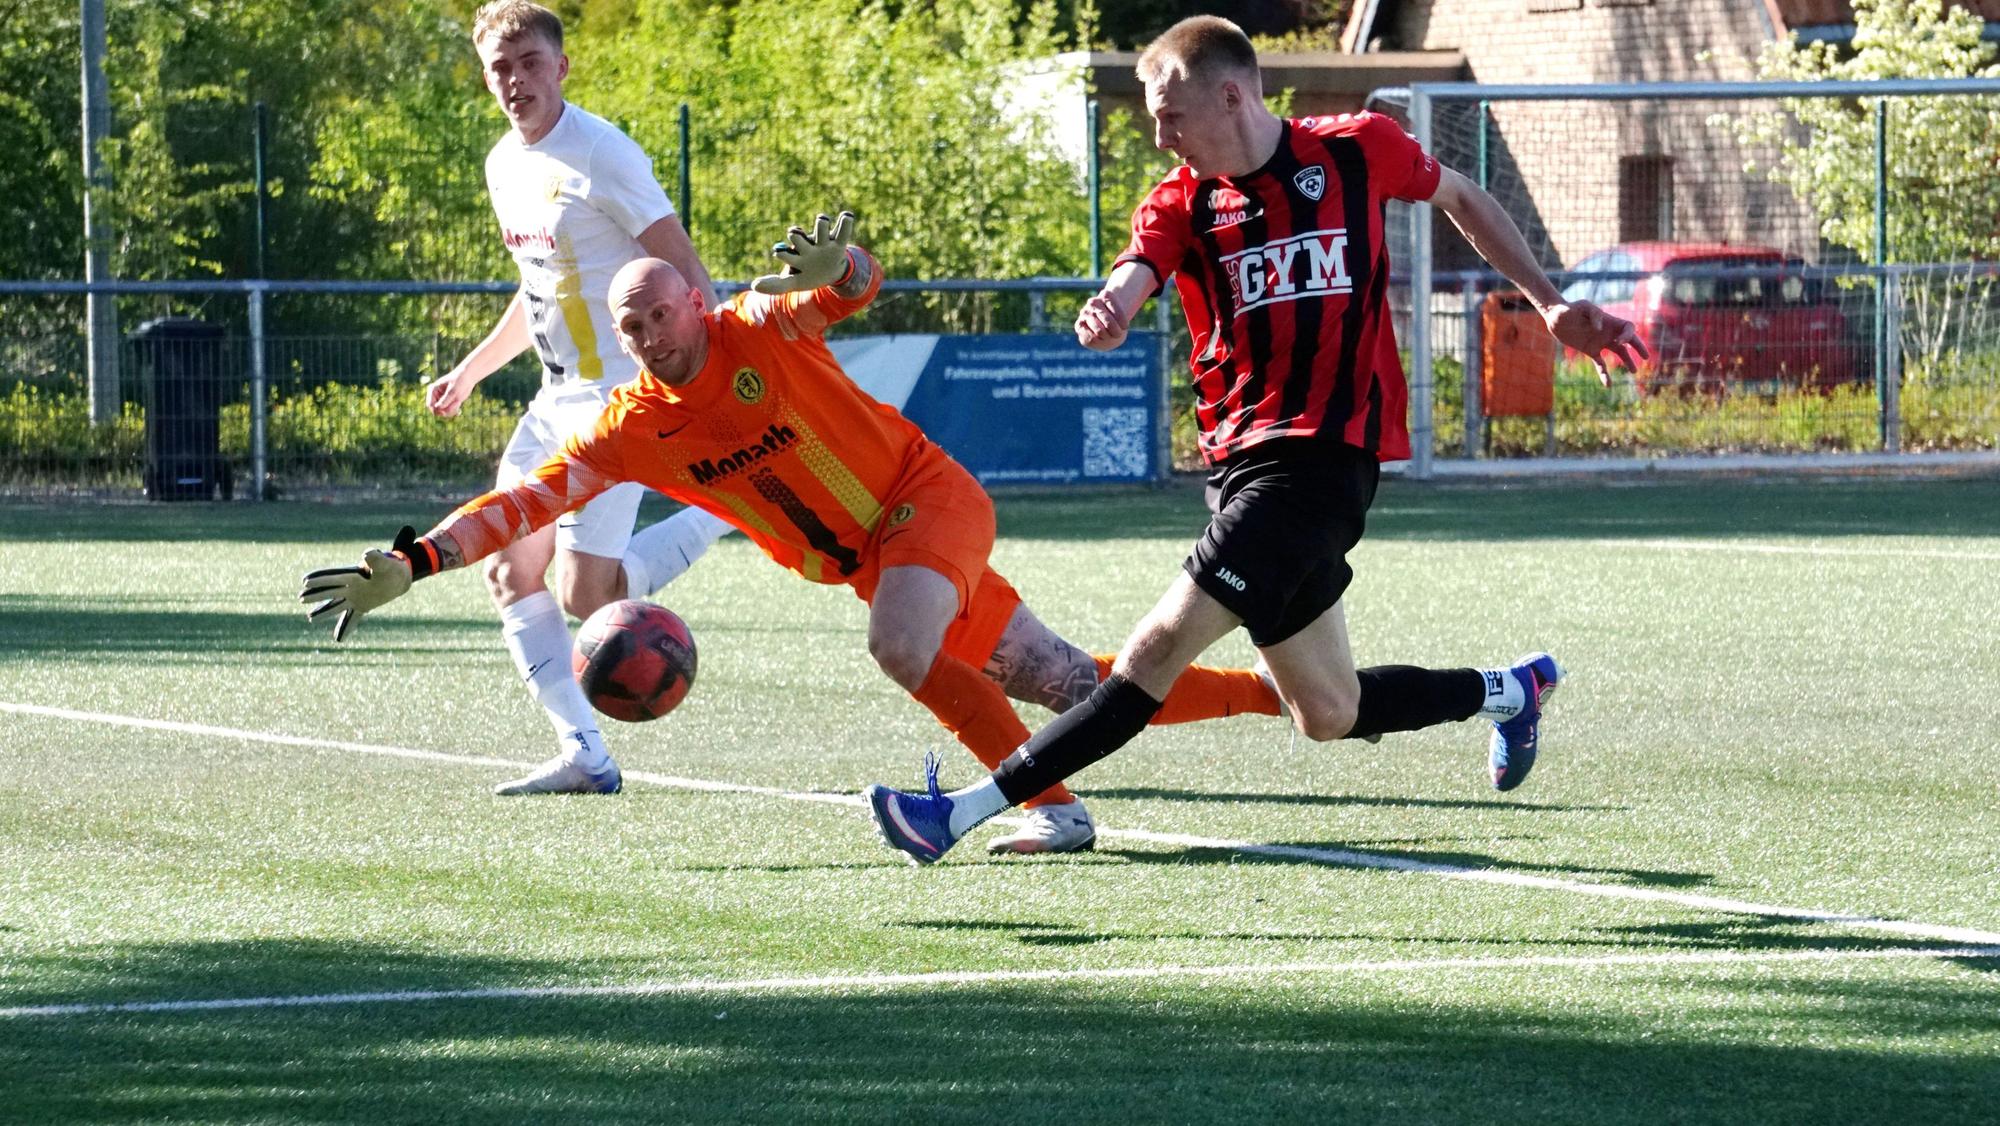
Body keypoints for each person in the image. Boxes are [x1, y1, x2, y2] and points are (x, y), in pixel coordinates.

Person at [863, 15, 1646, 865]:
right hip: (1239, 470)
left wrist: (1548, 301)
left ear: (1231, 95)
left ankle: (956, 813)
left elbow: (1459, 195)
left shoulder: (1358, 148)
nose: (1162, 137)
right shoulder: (1184, 199)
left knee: (1155, 648)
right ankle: (1511, 691)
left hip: (1323, 463)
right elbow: (1140, 267)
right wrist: (1116, 306)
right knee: (1328, 711)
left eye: (1171, 116)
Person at [300, 212, 1286, 856]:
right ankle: (1268, 697)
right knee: (1067, 683)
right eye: (628, 325)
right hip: (871, 557)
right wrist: (416, 560)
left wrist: (846, 263)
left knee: (900, 646)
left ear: (693, 298)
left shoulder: (755, 326)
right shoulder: (630, 425)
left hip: (923, 496)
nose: (647, 332)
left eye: (657, 310)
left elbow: (847, 286)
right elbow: (524, 506)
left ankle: (1030, 810)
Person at [427, 0, 734, 796]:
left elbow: (687, 274)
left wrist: (712, 384)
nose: (516, 81)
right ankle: (585, 753)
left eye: (531, 63)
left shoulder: (602, 152)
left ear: (561, 67)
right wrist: (475, 368)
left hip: (617, 399)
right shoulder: (503, 164)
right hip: (550, 400)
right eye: (501, 68)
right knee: (507, 571)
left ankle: (713, 513)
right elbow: (538, 288)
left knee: (584, 594)